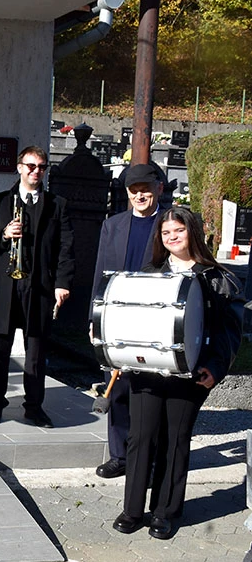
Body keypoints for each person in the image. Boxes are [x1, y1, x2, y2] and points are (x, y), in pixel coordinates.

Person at [112, 207, 243, 539]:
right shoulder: (149, 272)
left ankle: (166, 512)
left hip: (191, 374)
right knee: (141, 438)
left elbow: (229, 332)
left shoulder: (217, 277)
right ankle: (132, 510)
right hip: (148, 372)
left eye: (178, 231)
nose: (171, 237)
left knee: (175, 440)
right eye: (166, 233)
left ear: (192, 233)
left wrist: (215, 369)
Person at [0, 145, 74, 428]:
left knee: (36, 352)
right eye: (30, 166)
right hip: (6, 286)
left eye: (41, 167)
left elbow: (66, 248)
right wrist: (3, 234)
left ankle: (34, 407)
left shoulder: (58, 204)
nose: (36, 171)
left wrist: (62, 283)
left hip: (40, 286)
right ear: (19, 167)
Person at [90, 163, 166, 478]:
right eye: (133, 190)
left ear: (159, 189)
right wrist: (94, 317)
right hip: (117, 316)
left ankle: (148, 460)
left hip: (156, 317)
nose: (139, 195)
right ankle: (120, 455)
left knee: (152, 391)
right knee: (117, 387)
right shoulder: (113, 225)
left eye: (145, 189)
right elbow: (99, 273)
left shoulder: (171, 222)